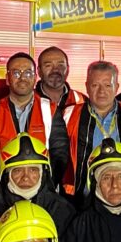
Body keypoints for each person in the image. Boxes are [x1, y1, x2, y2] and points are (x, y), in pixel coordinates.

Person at [0, 133, 78, 242]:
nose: (25, 177)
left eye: (33, 170)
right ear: (6, 174)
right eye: (18, 170)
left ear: (43, 173)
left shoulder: (63, 211)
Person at [69, 61, 121, 203]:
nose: (101, 91)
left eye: (107, 85)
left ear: (117, 87)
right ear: (87, 87)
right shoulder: (69, 115)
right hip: (82, 197)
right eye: (95, 85)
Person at [0, 53, 57, 161]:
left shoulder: (51, 111)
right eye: (16, 73)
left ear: (35, 78)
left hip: (41, 177)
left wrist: (44, 177)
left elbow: (59, 154)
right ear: (7, 79)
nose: (22, 78)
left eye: (28, 73)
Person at [36, 46, 85, 192]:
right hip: (37, 185)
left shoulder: (83, 102)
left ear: (68, 69)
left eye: (60, 65)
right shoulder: (28, 104)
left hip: (74, 188)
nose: (55, 70)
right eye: (48, 65)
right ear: (38, 71)